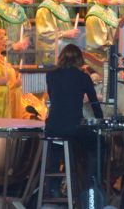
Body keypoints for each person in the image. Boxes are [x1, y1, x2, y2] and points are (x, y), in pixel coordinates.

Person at [45, 44, 104, 188]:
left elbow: (55, 100)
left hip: (52, 128)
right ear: (79, 60)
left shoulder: (51, 75)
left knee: (57, 146)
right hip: (73, 128)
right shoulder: (83, 77)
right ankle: (90, 185)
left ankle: (53, 188)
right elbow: (95, 103)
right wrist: (101, 121)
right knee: (97, 144)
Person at [35, 0, 79, 65]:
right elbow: (44, 33)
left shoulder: (62, 7)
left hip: (64, 51)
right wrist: (66, 33)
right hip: (51, 54)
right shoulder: (44, 8)